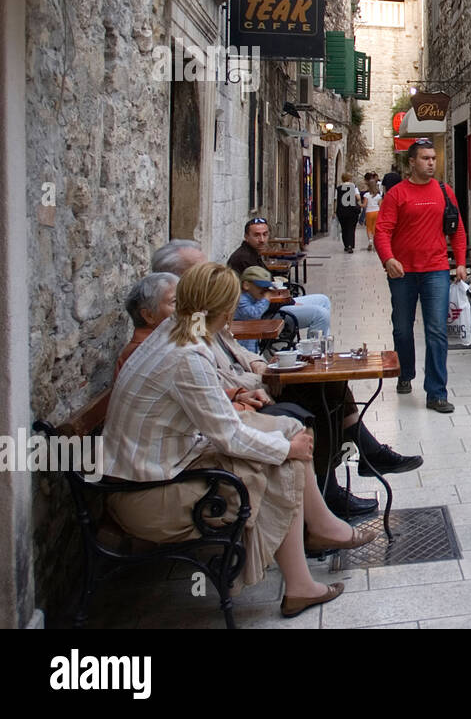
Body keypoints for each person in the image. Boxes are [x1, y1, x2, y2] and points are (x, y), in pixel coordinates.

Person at [105, 262, 377, 616]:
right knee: (286, 460)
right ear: (223, 308)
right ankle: (301, 580)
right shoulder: (187, 354)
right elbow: (228, 437)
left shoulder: (175, 331)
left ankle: (319, 535)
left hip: (157, 468)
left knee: (290, 431)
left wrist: (253, 415)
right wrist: (285, 449)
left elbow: (207, 413)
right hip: (150, 492)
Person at [144, 244, 423, 516]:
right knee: (312, 400)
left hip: (239, 394)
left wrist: (258, 365)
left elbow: (230, 350)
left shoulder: (193, 320)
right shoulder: (185, 332)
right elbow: (213, 385)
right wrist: (255, 384)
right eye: (200, 271)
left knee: (326, 383)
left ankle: (352, 469)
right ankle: (336, 487)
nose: (208, 274)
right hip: (224, 418)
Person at [376, 138, 468, 412]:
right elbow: (382, 231)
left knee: (437, 331)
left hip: (436, 270)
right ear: (412, 162)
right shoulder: (397, 194)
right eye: (425, 158)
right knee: (402, 329)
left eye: (433, 158)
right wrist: (388, 258)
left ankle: (437, 393)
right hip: (402, 272)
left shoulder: (444, 191)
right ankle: (405, 373)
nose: (431, 163)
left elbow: (457, 229)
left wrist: (460, 262)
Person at [228, 218, 332, 336]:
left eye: (265, 234)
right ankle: (314, 351)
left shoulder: (252, 254)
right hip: (265, 311)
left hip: (273, 304)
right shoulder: (243, 259)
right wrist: (290, 303)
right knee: (320, 315)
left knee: (323, 300)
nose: (262, 240)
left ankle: (323, 343)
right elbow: (260, 294)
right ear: (246, 237)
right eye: (256, 235)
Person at [116, 272, 177, 376]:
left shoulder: (166, 341)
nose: (186, 306)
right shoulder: (146, 352)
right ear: (149, 315)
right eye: (175, 301)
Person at [233, 266, 274, 351]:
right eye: (260, 287)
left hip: (250, 340)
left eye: (266, 288)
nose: (264, 291)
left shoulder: (254, 298)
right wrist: (265, 300)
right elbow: (253, 314)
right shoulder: (241, 299)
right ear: (246, 285)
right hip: (241, 345)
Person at [336, 172, 363, 254]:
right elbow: (358, 197)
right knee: (351, 228)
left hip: (342, 211)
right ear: (350, 178)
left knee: (344, 228)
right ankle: (350, 245)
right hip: (352, 211)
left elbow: (335, 199)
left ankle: (346, 245)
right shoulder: (353, 187)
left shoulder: (338, 188)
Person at [362, 173, 383, 252]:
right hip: (377, 212)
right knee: (375, 228)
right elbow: (381, 206)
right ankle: (375, 242)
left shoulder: (366, 195)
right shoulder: (378, 196)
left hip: (369, 212)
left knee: (369, 228)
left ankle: (370, 241)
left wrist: (359, 204)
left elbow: (364, 205)